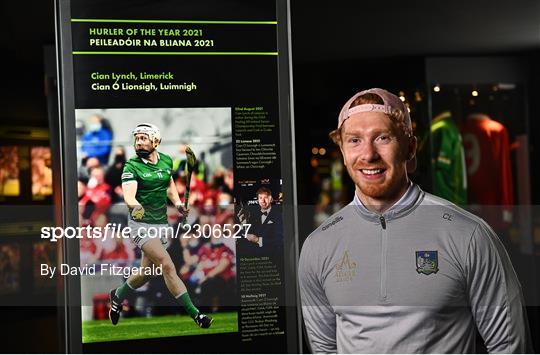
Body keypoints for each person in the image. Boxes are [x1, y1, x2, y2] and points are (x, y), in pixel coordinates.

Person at [298, 88, 531, 353]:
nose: (368, 154)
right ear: (342, 150)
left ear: (410, 148)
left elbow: (511, 346)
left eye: (383, 137)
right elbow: (324, 349)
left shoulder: (469, 235)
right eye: (354, 140)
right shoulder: (319, 246)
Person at [108, 123, 213, 328]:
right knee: (167, 264)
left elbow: (169, 186)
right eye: (137, 138)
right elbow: (129, 194)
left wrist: (179, 204)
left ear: (155, 140)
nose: (139, 142)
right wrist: (135, 205)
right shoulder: (131, 166)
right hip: (139, 224)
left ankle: (118, 295)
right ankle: (196, 315)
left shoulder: (165, 161)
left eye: (143, 138)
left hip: (160, 224)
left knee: (145, 273)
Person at [240, 186, 283, 255]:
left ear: (271, 199)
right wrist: (242, 223)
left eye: (265, 198)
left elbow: (280, 241)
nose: (263, 201)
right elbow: (246, 235)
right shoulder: (253, 215)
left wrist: (258, 240)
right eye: (260, 198)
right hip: (255, 257)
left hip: (272, 257)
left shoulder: (279, 216)